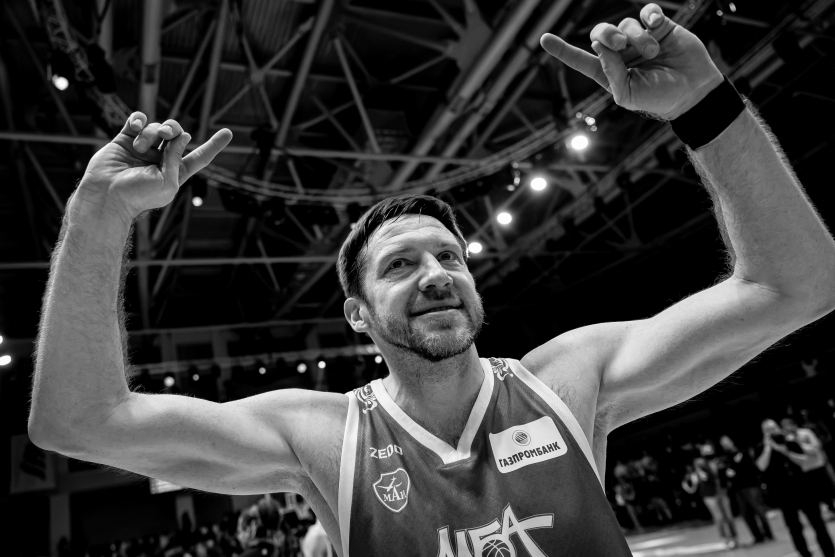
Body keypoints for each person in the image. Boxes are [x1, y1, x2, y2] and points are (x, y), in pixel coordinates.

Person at [28, 3, 835, 555]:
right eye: (400, 264)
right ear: (356, 313)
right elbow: (79, 420)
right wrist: (99, 214)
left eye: (450, 256)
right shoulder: (320, 434)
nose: (436, 274)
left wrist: (706, 108)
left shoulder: (567, 378)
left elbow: (796, 284)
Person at [757, 419, 835, 557]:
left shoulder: (790, 442)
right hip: (783, 493)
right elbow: (761, 466)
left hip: (804, 488)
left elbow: (803, 461)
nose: (772, 431)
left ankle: (829, 552)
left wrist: (784, 450)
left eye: (773, 428)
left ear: (778, 428)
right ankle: (805, 554)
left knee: (817, 523)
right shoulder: (761, 448)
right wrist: (768, 447)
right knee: (794, 528)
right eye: (767, 430)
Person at [719, 435, 774, 544]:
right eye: (723, 443)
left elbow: (752, 467)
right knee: (746, 514)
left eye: (726, 441)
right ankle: (757, 536)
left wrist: (735, 469)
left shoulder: (742, 452)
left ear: (731, 441)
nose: (725, 444)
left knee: (759, 510)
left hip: (750, 485)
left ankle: (768, 534)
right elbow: (724, 474)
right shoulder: (725, 458)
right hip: (737, 489)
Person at [782, 416, 835, 514]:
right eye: (783, 426)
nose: (785, 428)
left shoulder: (806, 432)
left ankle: (831, 506)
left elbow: (816, 447)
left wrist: (797, 442)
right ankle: (828, 509)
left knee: (827, 489)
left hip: (818, 465)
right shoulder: (787, 440)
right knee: (817, 494)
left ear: (794, 424)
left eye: (787, 425)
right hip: (805, 469)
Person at [688, 448, 738, 549]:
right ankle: (726, 539)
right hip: (709, 494)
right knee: (719, 517)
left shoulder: (719, 461)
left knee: (729, 516)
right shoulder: (700, 464)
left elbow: (725, 473)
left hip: (722, 492)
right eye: (705, 450)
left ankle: (735, 538)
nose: (708, 452)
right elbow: (702, 477)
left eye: (709, 450)